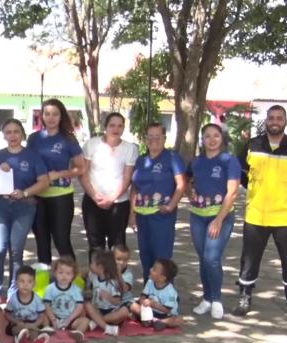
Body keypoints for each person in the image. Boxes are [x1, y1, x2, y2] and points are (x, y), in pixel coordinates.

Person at [234, 105, 287, 322]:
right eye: (271, 118)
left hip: (286, 216)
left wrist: (284, 195)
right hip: (256, 214)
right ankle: (244, 297)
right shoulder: (252, 146)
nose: (275, 121)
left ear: (285, 122)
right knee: (249, 260)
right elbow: (241, 175)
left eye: (279, 118)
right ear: (266, 121)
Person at [0, 119, 49, 297]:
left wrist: (26, 192)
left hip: (25, 207)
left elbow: (44, 181)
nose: (12, 135)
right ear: (3, 135)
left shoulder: (32, 156)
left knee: (16, 249)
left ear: (22, 133)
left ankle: (15, 290)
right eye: (8, 132)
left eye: (16, 131)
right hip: (1, 206)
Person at [186, 124, 241, 319]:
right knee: (203, 258)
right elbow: (186, 179)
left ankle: (217, 299)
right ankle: (207, 298)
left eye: (215, 136)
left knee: (212, 258)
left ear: (222, 138)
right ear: (202, 140)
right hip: (197, 215)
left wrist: (218, 220)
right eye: (207, 136)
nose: (211, 140)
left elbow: (232, 192)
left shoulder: (229, 161)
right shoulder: (197, 161)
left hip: (221, 216)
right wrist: (189, 191)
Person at [27, 99, 86, 264]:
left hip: (61, 196)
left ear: (61, 116)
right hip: (38, 196)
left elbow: (81, 168)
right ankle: (44, 283)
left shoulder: (68, 139)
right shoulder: (33, 139)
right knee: (42, 242)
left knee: (61, 241)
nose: (51, 118)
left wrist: (59, 174)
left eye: (55, 114)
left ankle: (72, 284)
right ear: (42, 116)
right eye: (47, 114)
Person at [129, 122, 186, 281]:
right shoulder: (141, 160)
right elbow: (135, 188)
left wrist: (170, 206)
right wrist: (132, 213)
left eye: (158, 136)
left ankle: (166, 296)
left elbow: (181, 185)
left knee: (162, 258)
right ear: (145, 139)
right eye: (150, 136)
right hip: (142, 215)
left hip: (161, 216)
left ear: (164, 138)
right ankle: (149, 293)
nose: (154, 139)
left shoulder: (172, 158)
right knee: (145, 256)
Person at [80, 112, 138, 261]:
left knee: (117, 246)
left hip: (119, 204)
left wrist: (112, 198)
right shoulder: (92, 144)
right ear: (105, 127)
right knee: (95, 245)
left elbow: (127, 178)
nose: (116, 129)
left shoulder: (130, 148)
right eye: (112, 125)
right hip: (93, 202)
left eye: (120, 126)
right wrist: (94, 196)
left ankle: (116, 281)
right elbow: (83, 174)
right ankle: (96, 280)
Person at [42, 256, 92, 342]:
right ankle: (47, 328)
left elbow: (79, 306)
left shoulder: (76, 289)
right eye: (61, 272)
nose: (64, 276)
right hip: (54, 317)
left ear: (73, 275)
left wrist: (69, 320)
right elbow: (47, 305)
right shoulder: (50, 288)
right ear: (55, 273)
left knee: (85, 320)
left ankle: (78, 332)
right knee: (42, 314)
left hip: (71, 319)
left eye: (68, 273)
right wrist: (53, 320)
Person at [4, 265, 51, 343]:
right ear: (16, 283)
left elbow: (42, 316)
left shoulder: (37, 299)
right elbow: (7, 314)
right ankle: (19, 339)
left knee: (34, 332)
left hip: (32, 323)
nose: (25, 285)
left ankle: (34, 342)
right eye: (22, 281)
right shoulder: (13, 298)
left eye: (29, 282)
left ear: (34, 284)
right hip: (18, 323)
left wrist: (34, 324)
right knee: (15, 329)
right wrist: (16, 321)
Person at [130, 259, 182, 330]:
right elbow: (143, 295)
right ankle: (150, 320)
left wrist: (153, 304)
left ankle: (159, 322)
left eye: (154, 269)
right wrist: (142, 301)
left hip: (166, 315)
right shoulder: (150, 282)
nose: (151, 269)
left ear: (162, 278)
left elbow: (167, 310)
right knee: (133, 305)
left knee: (178, 320)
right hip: (150, 311)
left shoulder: (171, 293)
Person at [84, 251, 128, 335]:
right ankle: (107, 328)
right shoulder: (94, 277)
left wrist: (109, 297)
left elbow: (118, 301)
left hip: (112, 312)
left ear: (100, 267)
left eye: (92, 263)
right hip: (98, 310)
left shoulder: (112, 282)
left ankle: (97, 322)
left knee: (124, 311)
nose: (90, 265)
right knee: (87, 305)